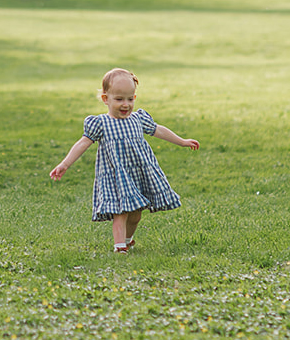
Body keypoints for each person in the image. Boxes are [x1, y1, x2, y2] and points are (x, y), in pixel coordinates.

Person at [49, 67, 199, 253]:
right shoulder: (101, 124)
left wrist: (182, 141)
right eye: (119, 99)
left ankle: (127, 240)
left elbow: (159, 130)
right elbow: (82, 143)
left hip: (139, 173)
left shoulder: (138, 119)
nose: (125, 104)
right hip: (116, 176)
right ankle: (119, 246)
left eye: (130, 99)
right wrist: (64, 164)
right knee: (121, 212)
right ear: (106, 99)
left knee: (135, 215)